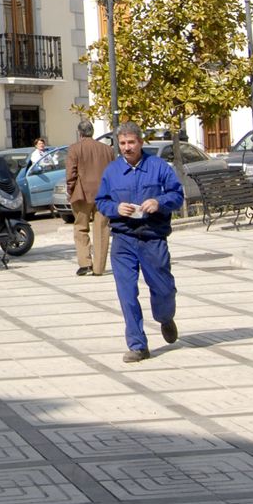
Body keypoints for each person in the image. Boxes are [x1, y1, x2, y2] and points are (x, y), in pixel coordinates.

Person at [95, 122, 183, 364]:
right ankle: (137, 344)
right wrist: (114, 208)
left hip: (153, 237)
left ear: (140, 143)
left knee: (163, 288)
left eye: (131, 142)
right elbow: (100, 201)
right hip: (123, 239)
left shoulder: (158, 166)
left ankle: (165, 317)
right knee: (127, 293)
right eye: (122, 143)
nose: (126, 148)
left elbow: (177, 195)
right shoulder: (112, 172)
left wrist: (159, 202)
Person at [64, 121, 112, 277]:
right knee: (101, 229)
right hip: (103, 194)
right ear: (93, 131)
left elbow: (71, 174)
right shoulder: (107, 150)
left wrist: (70, 190)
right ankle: (99, 267)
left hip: (82, 193)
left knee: (80, 227)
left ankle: (85, 264)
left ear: (80, 133)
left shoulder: (75, 149)